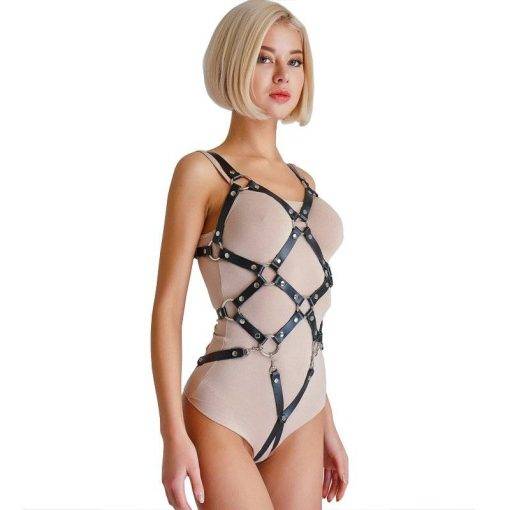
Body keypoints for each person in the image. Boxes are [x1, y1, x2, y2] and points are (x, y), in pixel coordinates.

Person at [151, 1, 348, 508]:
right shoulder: (202, 171)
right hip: (225, 407)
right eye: (264, 58)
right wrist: (172, 436)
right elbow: (167, 309)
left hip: (305, 410)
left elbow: (304, 316)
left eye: (294, 60)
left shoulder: (305, 181)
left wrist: (328, 420)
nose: (282, 75)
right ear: (235, 62)